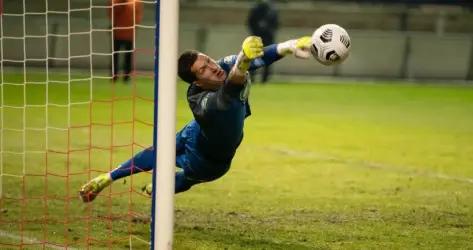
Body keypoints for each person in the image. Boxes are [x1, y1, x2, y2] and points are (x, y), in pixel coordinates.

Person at [79, 35, 312, 202]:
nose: (213, 67)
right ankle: (107, 178)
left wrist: (289, 46)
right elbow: (229, 90)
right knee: (161, 152)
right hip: (201, 152)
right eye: (204, 70)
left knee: (185, 177)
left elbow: (260, 59)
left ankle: (157, 188)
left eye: (208, 60)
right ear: (197, 82)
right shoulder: (202, 102)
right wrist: (243, 62)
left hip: (212, 159)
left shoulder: (222, 66)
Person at [109, 0, 143, 83]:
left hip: (129, 34)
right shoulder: (115, 2)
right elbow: (111, 14)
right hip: (118, 33)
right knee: (115, 56)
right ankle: (115, 76)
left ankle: (126, 77)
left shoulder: (135, 2)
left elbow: (138, 17)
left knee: (127, 57)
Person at [247, 0, 279, 83]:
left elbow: (276, 24)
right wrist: (256, 30)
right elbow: (250, 22)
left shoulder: (272, 9)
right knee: (254, 57)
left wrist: (268, 30)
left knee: (267, 57)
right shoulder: (258, 8)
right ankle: (254, 77)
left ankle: (264, 78)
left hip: (266, 36)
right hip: (258, 36)